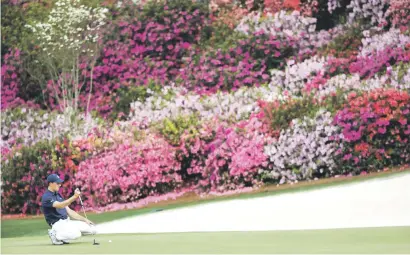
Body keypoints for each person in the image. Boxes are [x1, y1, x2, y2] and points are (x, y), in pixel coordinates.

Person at [41, 174, 96, 245]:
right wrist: (75, 196)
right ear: (50, 183)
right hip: (57, 224)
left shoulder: (58, 195)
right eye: (57, 183)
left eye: (60, 183)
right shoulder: (46, 197)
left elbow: (69, 211)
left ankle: (63, 237)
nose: (60, 185)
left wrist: (85, 220)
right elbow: (60, 205)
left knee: (92, 229)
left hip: (67, 222)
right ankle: (55, 234)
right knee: (76, 234)